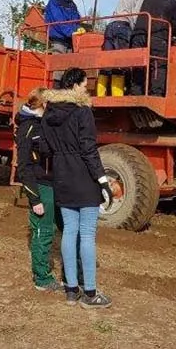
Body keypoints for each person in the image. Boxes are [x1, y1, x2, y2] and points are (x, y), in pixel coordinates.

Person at [40, 67, 114, 309]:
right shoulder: (83, 111)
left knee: (69, 232)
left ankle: (71, 290)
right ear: (74, 85)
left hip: (62, 177)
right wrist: (102, 180)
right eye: (84, 85)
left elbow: (45, 148)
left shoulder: (49, 112)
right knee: (87, 234)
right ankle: (90, 293)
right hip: (84, 177)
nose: (86, 89)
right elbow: (89, 149)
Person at [14, 87, 62, 293]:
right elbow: (24, 168)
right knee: (43, 231)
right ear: (43, 104)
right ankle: (42, 277)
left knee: (53, 229)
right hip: (41, 187)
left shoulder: (42, 124)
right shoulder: (27, 129)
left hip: (52, 184)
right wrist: (35, 199)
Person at [98, 0, 159, 95]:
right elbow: (136, 15)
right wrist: (138, 31)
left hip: (111, 26)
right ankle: (117, 97)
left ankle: (100, 95)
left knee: (106, 63)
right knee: (120, 63)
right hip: (123, 26)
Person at [129, 0, 176, 96]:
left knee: (139, 65)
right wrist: (174, 35)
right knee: (158, 65)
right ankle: (156, 95)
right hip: (157, 35)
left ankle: (136, 94)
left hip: (138, 34)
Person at [44, 0, 82, 87]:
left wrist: (78, 29)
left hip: (69, 38)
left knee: (69, 66)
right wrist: (72, 32)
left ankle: (65, 90)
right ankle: (56, 90)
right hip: (58, 38)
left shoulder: (72, 5)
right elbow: (58, 21)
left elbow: (76, 20)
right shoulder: (55, 1)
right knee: (59, 66)